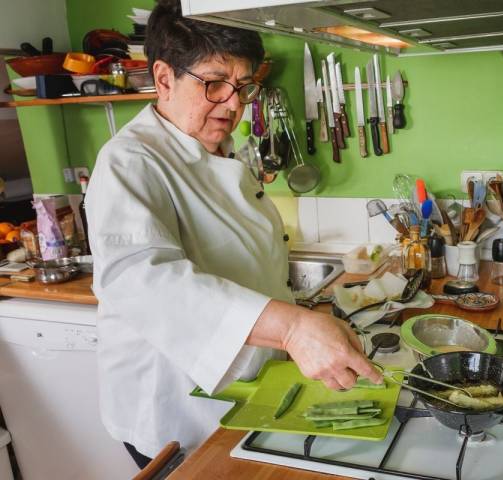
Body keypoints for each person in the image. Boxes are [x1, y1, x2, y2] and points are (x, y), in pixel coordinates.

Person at [85, 0, 381, 469]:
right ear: (164, 79)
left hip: (244, 386)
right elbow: (142, 281)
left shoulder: (224, 149)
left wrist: (304, 323)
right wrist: (292, 328)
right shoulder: (130, 162)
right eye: (215, 84)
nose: (234, 103)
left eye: (244, 87)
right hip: (173, 406)